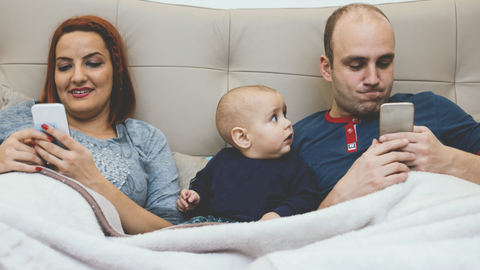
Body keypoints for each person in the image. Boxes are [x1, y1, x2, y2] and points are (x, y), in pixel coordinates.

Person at [0, 15, 184, 234]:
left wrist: (93, 181)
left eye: (93, 63)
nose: (77, 76)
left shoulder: (146, 139)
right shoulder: (16, 117)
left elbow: (173, 234)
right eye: (65, 66)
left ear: (116, 71)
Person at [292, 3, 480, 209]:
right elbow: (279, 229)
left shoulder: (432, 107)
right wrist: (340, 196)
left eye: (384, 62)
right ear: (327, 68)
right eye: (356, 65)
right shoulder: (296, 139)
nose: (373, 79)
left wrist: (449, 161)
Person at [176, 86, 320, 223]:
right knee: (179, 234)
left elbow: (307, 199)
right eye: (274, 118)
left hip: (263, 228)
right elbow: (203, 184)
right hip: (213, 224)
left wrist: (279, 213)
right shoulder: (223, 159)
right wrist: (195, 197)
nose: (288, 123)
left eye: (285, 114)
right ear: (243, 138)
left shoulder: (295, 167)